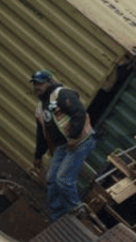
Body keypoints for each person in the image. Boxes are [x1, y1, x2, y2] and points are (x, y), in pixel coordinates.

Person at [31, 69, 96, 221]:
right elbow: (42, 135)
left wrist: (73, 137)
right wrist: (38, 156)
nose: (37, 87)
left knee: (64, 179)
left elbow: (79, 113)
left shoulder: (62, 94)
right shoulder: (40, 109)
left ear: (49, 82)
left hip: (81, 141)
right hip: (64, 145)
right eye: (34, 84)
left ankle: (78, 211)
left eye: (40, 84)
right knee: (52, 179)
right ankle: (58, 216)